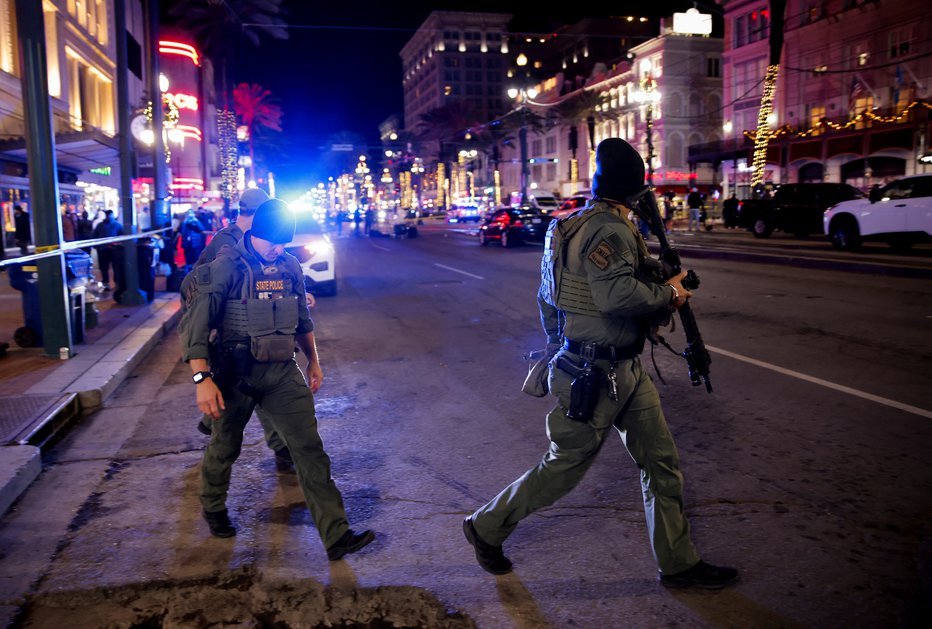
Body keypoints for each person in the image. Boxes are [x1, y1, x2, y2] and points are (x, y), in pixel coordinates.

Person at [463, 138, 738, 589]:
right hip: (594, 374)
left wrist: (561, 345)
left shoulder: (568, 226)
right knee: (563, 469)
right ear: (636, 188)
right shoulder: (608, 229)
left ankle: (678, 564)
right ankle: (486, 526)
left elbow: (549, 297)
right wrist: (671, 293)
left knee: (661, 462)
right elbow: (616, 296)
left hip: (620, 369)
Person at [179, 199, 375, 560]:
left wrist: (313, 361)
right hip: (233, 374)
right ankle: (213, 506)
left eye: (285, 242)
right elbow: (196, 327)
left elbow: (302, 320)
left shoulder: (289, 266)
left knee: (310, 450)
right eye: (273, 242)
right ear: (254, 233)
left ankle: (336, 534)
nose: (279, 249)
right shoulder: (224, 267)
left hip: (283, 372)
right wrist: (201, 378)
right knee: (225, 447)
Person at [182, 187, 308, 473]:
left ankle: (279, 447)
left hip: (252, 330)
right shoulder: (226, 243)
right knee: (239, 389)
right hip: (221, 327)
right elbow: (208, 293)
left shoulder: (260, 242)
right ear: (253, 215)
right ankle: (221, 436)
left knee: (261, 383)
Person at [92, 209, 123, 290]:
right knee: (105, 267)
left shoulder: (116, 225)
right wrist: (97, 246)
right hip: (104, 249)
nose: (108, 217)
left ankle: (115, 283)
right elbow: (94, 236)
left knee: (114, 267)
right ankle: (107, 283)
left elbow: (122, 237)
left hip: (112, 249)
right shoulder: (101, 225)